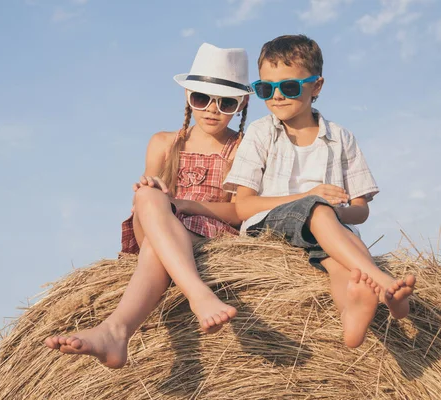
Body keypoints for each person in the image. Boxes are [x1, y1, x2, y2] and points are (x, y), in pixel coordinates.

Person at [45, 43, 252, 367]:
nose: (212, 109)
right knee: (146, 196)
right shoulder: (162, 143)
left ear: (241, 104)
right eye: (202, 98)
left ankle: (116, 331)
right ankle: (198, 294)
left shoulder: (243, 150)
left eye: (226, 102)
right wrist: (152, 191)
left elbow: (241, 212)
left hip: (207, 234)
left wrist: (187, 205)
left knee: (160, 246)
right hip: (158, 222)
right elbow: (147, 209)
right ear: (187, 96)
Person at [224, 34, 416, 348]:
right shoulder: (260, 132)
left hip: (331, 231)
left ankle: (351, 315)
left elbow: (361, 209)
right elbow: (242, 207)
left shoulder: (341, 138)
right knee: (317, 209)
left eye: (288, 87)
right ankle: (384, 283)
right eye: (265, 88)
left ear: (317, 86)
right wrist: (311, 200)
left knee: (343, 268)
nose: (276, 97)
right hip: (269, 229)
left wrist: (334, 214)